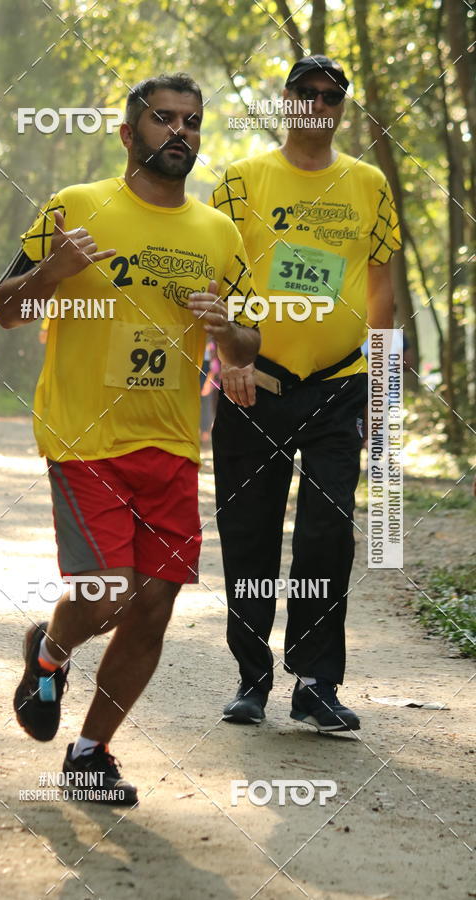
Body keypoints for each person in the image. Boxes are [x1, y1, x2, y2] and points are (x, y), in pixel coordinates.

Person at [0, 73, 259, 804]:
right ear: (128, 132)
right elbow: (6, 308)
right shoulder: (76, 207)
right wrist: (54, 270)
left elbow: (247, 346)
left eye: (193, 121)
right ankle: (49, 656)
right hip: (83, 437)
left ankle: (90, 753)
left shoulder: (218, 232)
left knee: (152, 606)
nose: (181, 132)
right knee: (108, 593)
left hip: (171, 445)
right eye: (164, 119)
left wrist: (225, 329)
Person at [210, 55, 401, 732]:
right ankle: (251, 678)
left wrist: (384, 393)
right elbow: (215, 281)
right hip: (254, 383)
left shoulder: (368, 183)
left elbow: (383, 291)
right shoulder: (242, 180)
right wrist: (225, 356)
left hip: (340, 387)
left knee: (328, 535)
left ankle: (317, 682)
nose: (318, 105)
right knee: (250, 532)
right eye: (307, 94)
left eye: (331, 97)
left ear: (341, 108)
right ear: (285, 101)